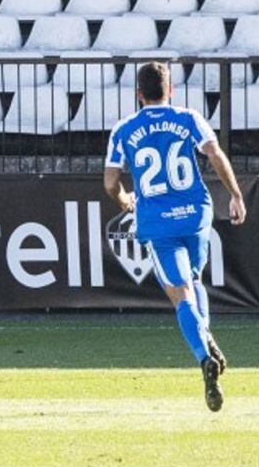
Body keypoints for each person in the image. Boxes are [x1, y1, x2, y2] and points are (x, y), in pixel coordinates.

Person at [104, 62, 247, 412]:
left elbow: (110, 182)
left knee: (179, 292)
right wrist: (236, 195)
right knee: (195, 280)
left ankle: (203, 355)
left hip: (158, 222)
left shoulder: (124, 128)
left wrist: (126, 201)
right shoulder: (189, 118)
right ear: (170, 91)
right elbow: (214, 154)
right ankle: (206, 337)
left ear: (139, 95)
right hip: (195, 213)